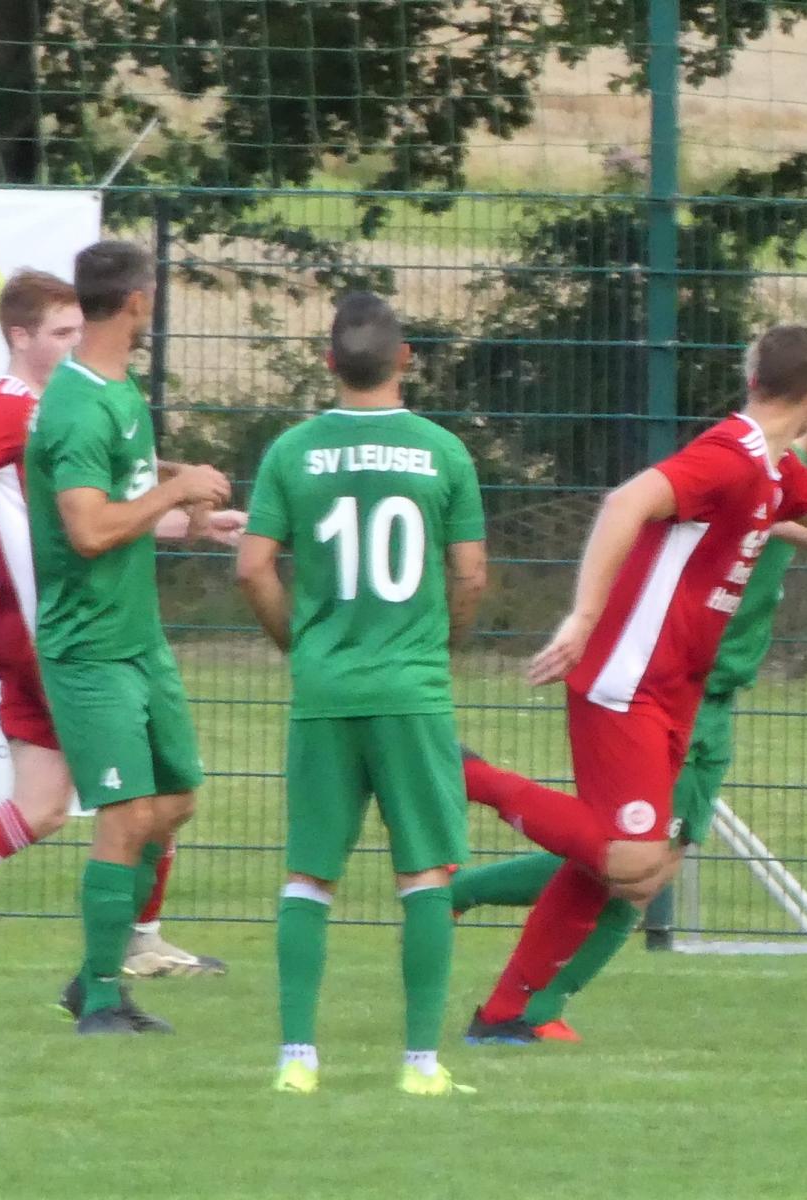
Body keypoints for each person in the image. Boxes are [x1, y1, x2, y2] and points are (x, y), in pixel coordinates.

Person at [461, 323, 807, 1044]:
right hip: (628, 678)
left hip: (673, 686)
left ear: (753, 380)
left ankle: (506, 1015)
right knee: (633, 859)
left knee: (631, 876)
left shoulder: (774, 469)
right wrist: (583, 617)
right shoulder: (730, 455)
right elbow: (626, 503)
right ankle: (468, 775)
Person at [0, 268, 235, 982]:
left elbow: (101, 510)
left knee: (42, 806)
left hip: (33, 631)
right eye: (60, 333)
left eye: (77, 329)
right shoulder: (15, 410)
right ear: (20, 337)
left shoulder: (67, 405)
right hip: (61, 636)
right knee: (152, 791)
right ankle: (136, 941)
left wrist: (195, 525)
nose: (75, 343)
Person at [236, 292, 488, 1097]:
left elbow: (251, 565)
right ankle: (419, 1064)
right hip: (411, 689)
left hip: (325, 688)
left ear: (328, 362)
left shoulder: (293, 452)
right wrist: (439, 645)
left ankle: (297, 1060)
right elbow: (471, 571)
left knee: (310, 875)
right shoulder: (444, 452)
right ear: (406, 357)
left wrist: (299, 645)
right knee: (424, 873)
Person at [23, 241, 233, 1034]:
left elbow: (129, 498)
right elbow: (87, 529)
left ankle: (92, 972)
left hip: (139, 640)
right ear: (139, 301)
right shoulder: (77, 405)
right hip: (91, 648)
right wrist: (176, 487)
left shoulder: (119, 395)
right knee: (124, 814)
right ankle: (104, 998)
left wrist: (190, 507)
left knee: (173, 797)